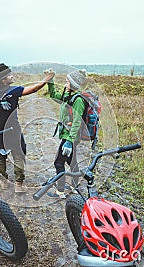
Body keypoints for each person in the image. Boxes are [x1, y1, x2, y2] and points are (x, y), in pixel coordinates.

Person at [0, 63, 55, 193]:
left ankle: (3, 182)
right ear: (4, 79)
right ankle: (19, 184)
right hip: (12, 129)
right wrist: (47, 78)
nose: (12, 76)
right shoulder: (13, 90)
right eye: (9, 75)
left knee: (0, 156)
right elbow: (34, 89)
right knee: (18, 154)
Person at [46, 69, 87, 198]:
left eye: (67, 82)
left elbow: (77, 122)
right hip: (68, 135)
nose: (65, 84)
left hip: (70, 136)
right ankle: (75, 187)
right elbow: (53, 95)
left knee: (58, 163)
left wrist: (69, 141)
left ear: (73, 84)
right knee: (72, 162)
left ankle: (60, 191)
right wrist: (50, 80)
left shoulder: (78, 100)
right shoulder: (69, 96)